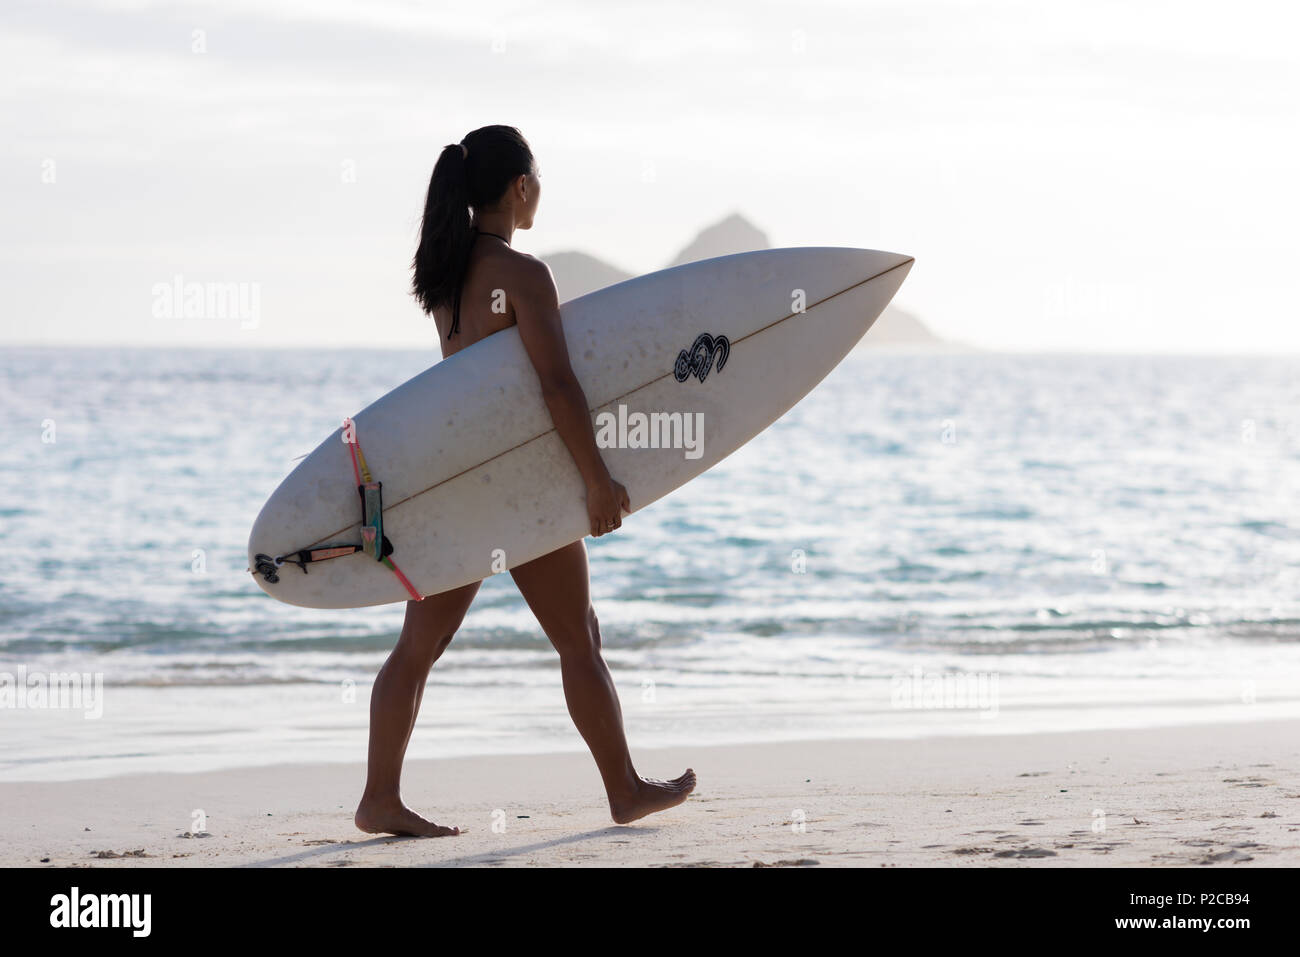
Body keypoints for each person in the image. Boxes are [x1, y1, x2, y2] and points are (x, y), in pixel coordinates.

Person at [353, 125, 696, 837]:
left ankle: (379, 795)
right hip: (513, 492)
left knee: (416, 650)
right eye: (537, 179)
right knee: (579, 638)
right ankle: (624, 789)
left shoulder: (445, 278)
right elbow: (557, 387)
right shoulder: (522, 275)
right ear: (520, 188)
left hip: (459, 484)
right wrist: (597, 480)